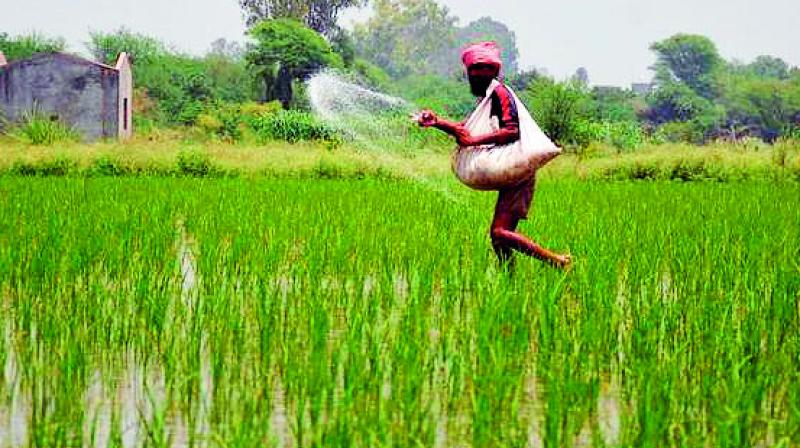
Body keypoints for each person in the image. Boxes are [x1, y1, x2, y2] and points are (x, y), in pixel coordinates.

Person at [417, 41, 571, 270]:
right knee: (498, 238)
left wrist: (473, 141)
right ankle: (509, 281)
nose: (474, 76)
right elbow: (466, 129)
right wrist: (437, 122)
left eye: (479, 71)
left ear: (493, 71)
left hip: (519, 176)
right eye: (472, 71)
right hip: (513, 174)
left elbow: (511, 131)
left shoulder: (500, 93)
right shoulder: (488, 97)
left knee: (500, 232)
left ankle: (557, 262)